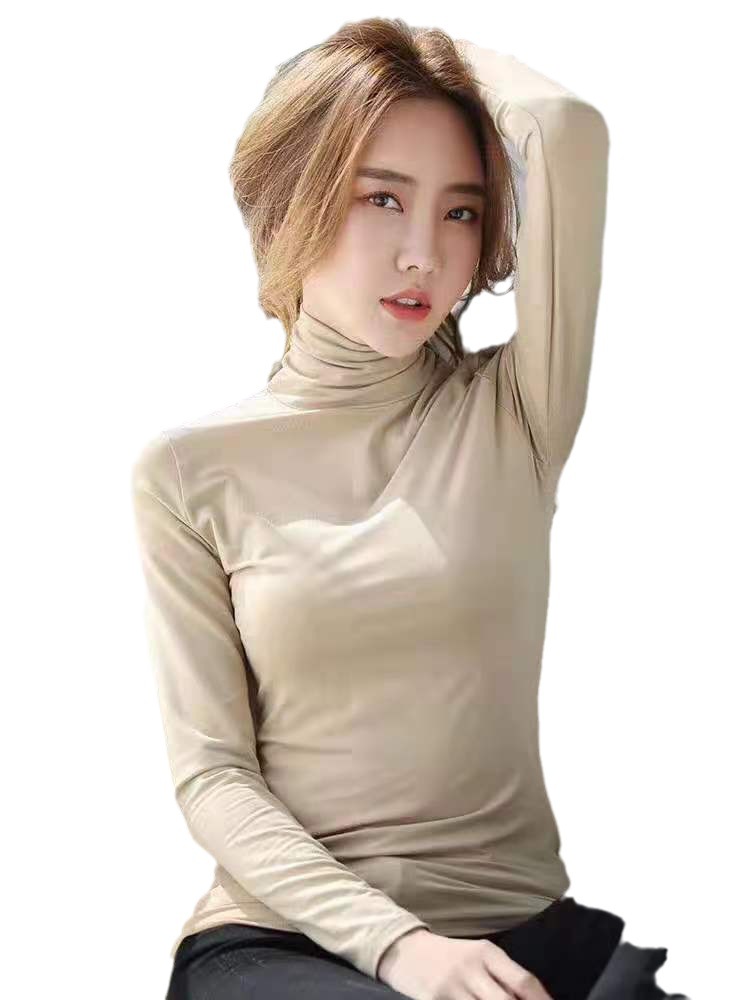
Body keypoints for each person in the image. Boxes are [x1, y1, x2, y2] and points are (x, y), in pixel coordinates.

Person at [131, 16, 685, 1000]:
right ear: (290, 202)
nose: (424, 253)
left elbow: (562, 126)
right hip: (290, 942)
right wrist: (402, 948)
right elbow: (212, 776)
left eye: (462, 211)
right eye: (380, 197)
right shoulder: (189, 471)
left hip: (524, 934)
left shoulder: (514, 415)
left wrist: (426, 58)